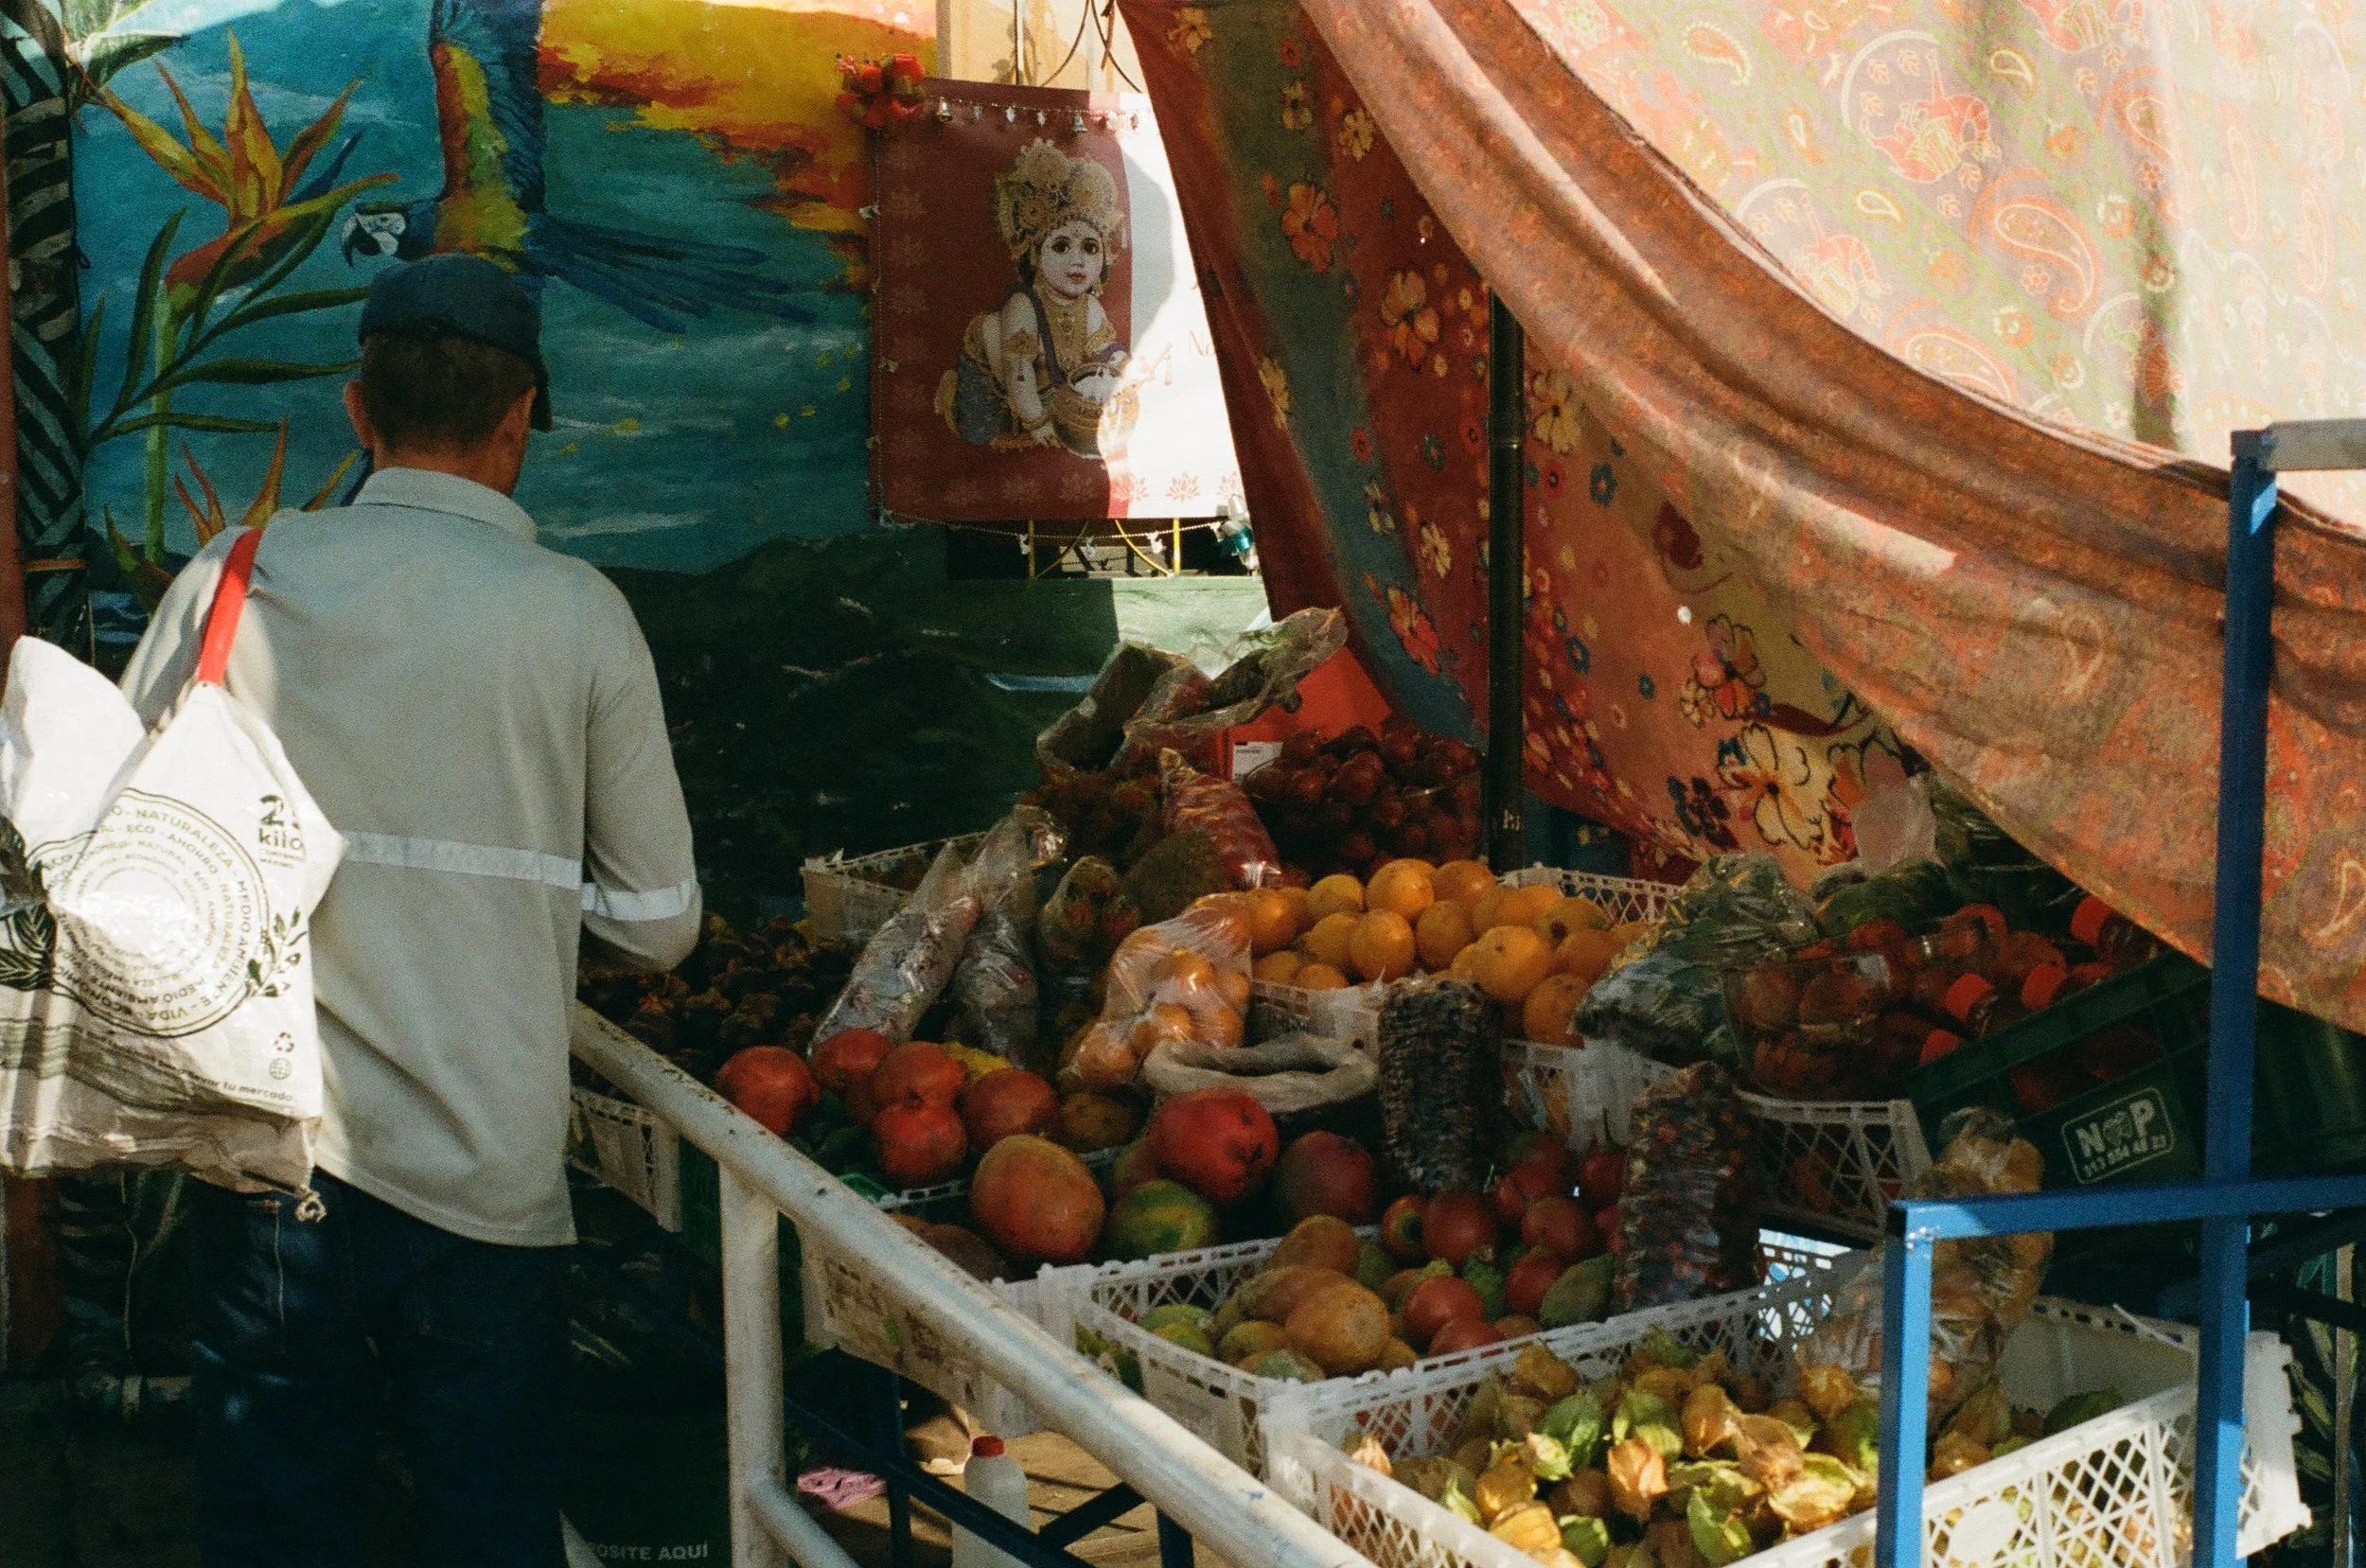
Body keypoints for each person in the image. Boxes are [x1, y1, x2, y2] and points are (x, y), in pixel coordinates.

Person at [119, 254, 700, 1568]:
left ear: (356, 409)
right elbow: (662, 919)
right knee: (490, 1521)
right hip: (488, 1172)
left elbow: (126, 842)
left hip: (273, 1162)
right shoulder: (578, 616)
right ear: (517, 429)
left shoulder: (233, 575)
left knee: (278, 1520)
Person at [939, 137, 1137, 457]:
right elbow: (1018, 371)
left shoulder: (1090, 306)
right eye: (1061, 246)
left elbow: (1103, 348)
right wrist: (1038, 422)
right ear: (1035, 255)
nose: (1078, 260)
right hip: (1000, 383)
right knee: (978, 433)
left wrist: (1123, 365)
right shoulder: (1023, 306)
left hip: (1049, 389)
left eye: (1090, 247)